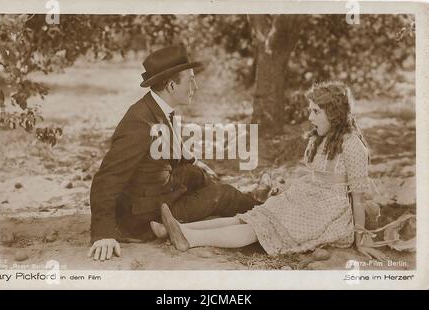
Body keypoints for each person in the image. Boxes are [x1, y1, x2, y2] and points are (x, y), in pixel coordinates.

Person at [154, 81, 387, 261]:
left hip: (329, 213)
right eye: (311, 110)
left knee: (258, 229)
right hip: (308, 197)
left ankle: (190, 238)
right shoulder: (323, 139)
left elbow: (357, 198)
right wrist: (288, 189)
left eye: (316, 112)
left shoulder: (353, 145)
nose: (309, 117)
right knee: (249, 217)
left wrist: (362, 239)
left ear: (334, 114)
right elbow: (316, 177)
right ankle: (174, 228)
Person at [88, 45, 260, 261]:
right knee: (224, 194)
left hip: (156, 190)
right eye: (190, 80)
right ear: (171, 85)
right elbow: (106, 179)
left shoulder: (157, 107)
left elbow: (167, 149)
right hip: (143, 216)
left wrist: (197, 162)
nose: (195, 87)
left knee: (197, 173)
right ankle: (269, 213)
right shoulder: (140, 122)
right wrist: (103, 234)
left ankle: (247, 202)